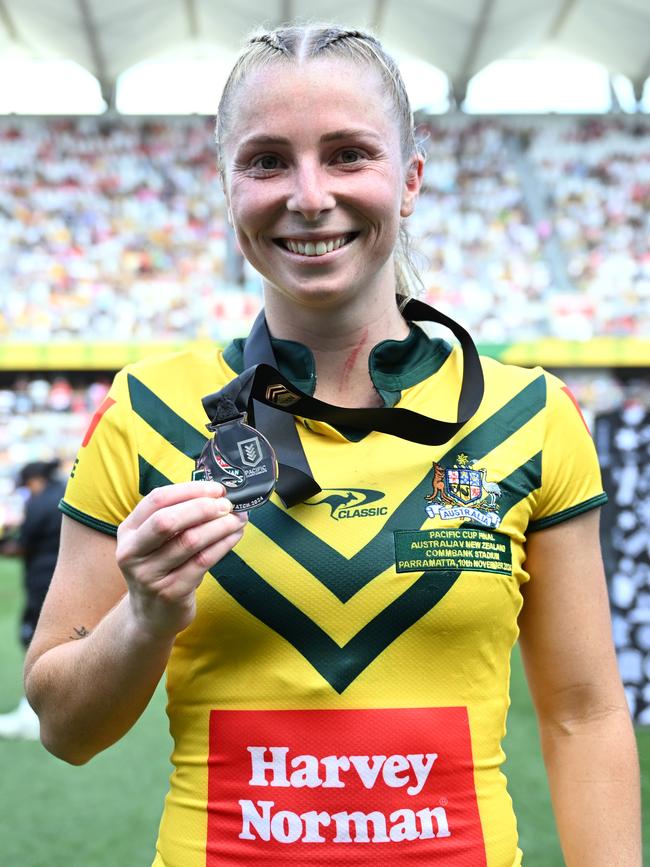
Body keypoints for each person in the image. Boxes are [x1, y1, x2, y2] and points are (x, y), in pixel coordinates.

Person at [24, 23, 640, 867]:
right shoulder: (145, 411)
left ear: (412, 179)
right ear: (226, 185)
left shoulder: (530, 414)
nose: (309, 195)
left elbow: (584, 712)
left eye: (350, 154)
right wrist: (145, 617)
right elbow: (63, 728)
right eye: (267, 160)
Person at [0, 460, 64, 739]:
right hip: (69, 580)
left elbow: (21, 546)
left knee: (35, 643)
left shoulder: (39, 503)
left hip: (42, 582)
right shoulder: (67, 490)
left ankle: (33, 713)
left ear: (34, 480)